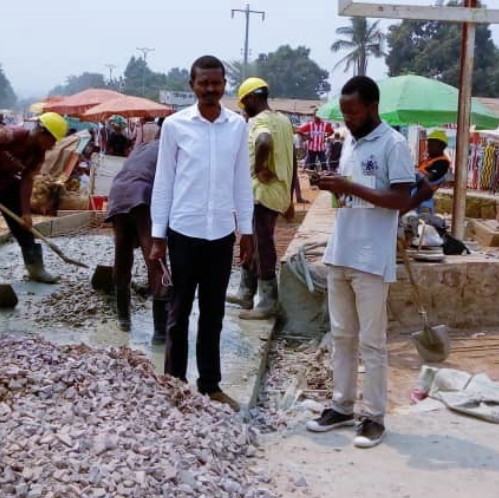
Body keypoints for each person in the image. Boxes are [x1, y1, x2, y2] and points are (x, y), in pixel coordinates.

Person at [305, 76, 431, 449]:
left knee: (372, 343)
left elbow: (397, 199)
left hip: (371, 259)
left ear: (372, 107)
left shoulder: (392, 144)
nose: (347, 118)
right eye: (344, 111)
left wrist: (348, 188)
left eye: (353, 111)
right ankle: (342, 406)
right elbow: (352, 195)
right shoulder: (350, 142)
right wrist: (333, 186)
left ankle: (374, 417)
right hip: (341, 250)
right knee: (342, 336)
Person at [148, 55, 254, 411]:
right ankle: (174, 386)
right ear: (192, 85)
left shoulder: (237, 127)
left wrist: (248, 231)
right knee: (178, 313)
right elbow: (164, 182)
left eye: (217, 83)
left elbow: (242, 182)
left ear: (226, 85)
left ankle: (210, 385)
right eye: (203, 83)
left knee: (214, 314)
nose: (210, 89)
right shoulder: (176, 126)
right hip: (183, 231)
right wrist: (157, 236)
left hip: (221, 234)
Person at [0, 113, 67, 287]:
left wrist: (25, 213)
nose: (53, 145)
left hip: (8, 185)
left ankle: (36, 269)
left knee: (23, 227)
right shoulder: (10, 134)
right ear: (41, 132)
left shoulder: (38, 156)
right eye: (52, 140)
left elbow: (26, 180)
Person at [232, 77, 296, 320]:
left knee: (262, 243)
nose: (243, 108)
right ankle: (245, 291)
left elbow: (264, 140)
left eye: (243, 103)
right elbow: (291, 159)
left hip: (262, 192)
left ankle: (268, 300)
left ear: (250, 98)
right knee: (253, 240)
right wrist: (289, 198)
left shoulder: (259, 121)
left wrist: (258, 167)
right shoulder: (284, 120)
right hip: (277, 192)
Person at [100, 118, 169, 337]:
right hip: (143, 196)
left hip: (118, 194)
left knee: (122, 254)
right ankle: (159, 331)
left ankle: (124, 321)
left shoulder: (143, 148)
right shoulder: (170, 150)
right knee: (155, 257)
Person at [413, 129, 451, 216]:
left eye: (431, 145)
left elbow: (430, 177)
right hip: (415, 186)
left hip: (422, 191)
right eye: (428, 144)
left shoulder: (442, 162)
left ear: (441, 146)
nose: (428, 147)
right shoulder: (430, 159)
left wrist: (415, 174)